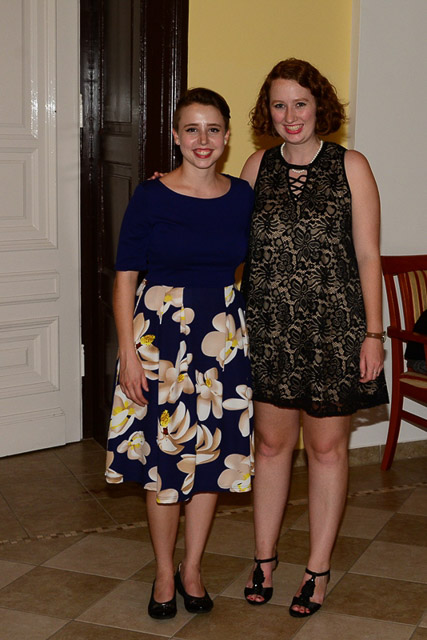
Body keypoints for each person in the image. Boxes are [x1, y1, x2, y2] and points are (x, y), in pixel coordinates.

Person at [239, 58, 389, 617]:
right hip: (270, 330)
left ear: (318, 104)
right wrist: (172, 187)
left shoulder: (352, 165)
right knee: (270, 447)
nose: (290, 115)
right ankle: (264, 559)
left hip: (335, 331)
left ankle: (317, 569)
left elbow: (369, 256)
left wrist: (374, 334)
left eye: (300, 103)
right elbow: (221, 231)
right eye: (279, 105)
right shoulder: (256, 166)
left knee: (326, 451)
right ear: (268, 111)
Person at [105, 88, 254, 620]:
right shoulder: (151, 196)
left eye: (213, 129)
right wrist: (128, 354)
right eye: (192, 129)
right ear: (175, 136)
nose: (202, 140)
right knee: (163, 459)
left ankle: (193, 568)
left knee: (212, 458)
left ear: (227, 136)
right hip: (159, 340)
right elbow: (125, 278)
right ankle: (165, 572)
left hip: (222, 339)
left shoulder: (243, 196)